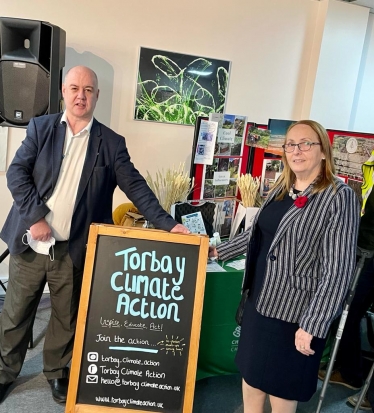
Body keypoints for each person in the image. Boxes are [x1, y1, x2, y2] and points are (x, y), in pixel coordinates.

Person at [0, 66, 189, 404]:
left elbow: (138, 189)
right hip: (31, 244)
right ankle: (4, 373)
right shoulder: (41, 128)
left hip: (73, 248)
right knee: (15, 315)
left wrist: (169, 224)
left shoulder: (111, 143)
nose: (80, 95)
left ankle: (58, 374)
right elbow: (16, 174)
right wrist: (35, 217)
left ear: (97, 96)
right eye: (74, 88)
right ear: (63, 91)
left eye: (88, 90)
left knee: (65, 318)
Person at [209, 120, 360, 413]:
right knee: (251, 381)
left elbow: (338, 270)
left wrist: (313, 324)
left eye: (306, 143)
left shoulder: (338, 197)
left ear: (324, 152)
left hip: (295, 315)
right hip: (258, 303)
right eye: (290, 144)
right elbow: (256, 237)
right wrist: (218, 251)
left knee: (281, 391)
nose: (296, 150)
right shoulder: (282, 186)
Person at [318, 150, 374, 411]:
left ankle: (351, 374)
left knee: (348, 312)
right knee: (346, 312)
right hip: (363, 248)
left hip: (368, 254)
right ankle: (347, 368)